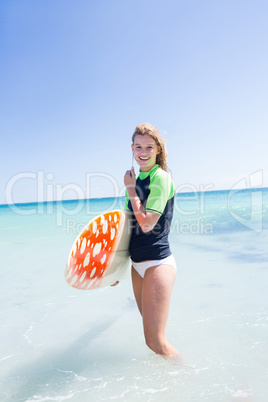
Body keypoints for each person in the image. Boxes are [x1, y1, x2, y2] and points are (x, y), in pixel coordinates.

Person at [124, 123, 179, 357]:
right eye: (138, 146)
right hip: (137, 265)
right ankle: (167, 388)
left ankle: (191, 378)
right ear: (132, 148)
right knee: (152, 341)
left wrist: (131, 190)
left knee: (156, 341)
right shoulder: (135, 180)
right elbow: (128, 227)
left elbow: (146, 223)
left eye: (149, 146)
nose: (143, 152)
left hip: (157, 262)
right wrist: (113, 269)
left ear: (158, 150)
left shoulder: (161, 178)